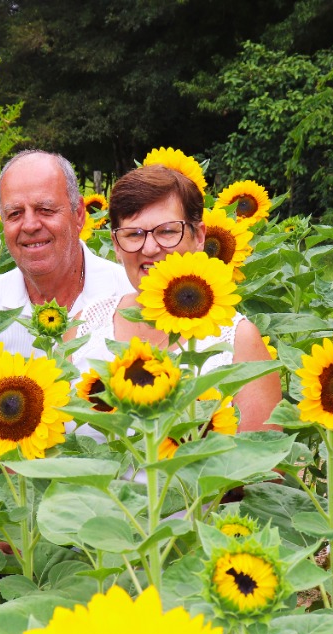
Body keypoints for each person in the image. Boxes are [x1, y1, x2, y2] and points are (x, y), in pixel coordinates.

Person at [86, 165, 281, 433]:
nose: (150, 248)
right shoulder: (87, 325)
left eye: (167, 231)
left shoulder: (237, 339)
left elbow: (264, 464)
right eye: (133, 234)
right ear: (116, 245)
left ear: (199, 236)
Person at [0, 150, 133, 360]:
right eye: (15, 213)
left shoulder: (129, 296)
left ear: (79, 215)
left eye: (45, 209)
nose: (30, 225)